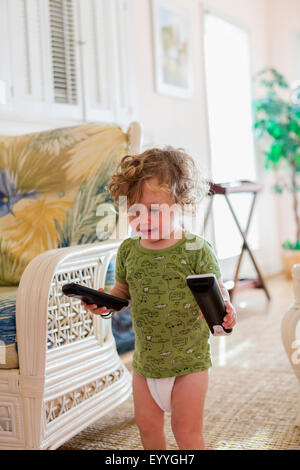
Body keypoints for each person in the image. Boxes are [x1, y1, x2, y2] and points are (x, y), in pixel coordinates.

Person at [82, 147, 237, 450]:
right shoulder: (128, 251)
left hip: (189, 362)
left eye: (154, 210)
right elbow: (122, 293)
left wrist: (227, 308)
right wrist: (105, 302)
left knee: (186, 432)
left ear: (181, 204)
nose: (142, 219)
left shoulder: (196, 249)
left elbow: (217, 291)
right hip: (145, 364)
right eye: (134, 211)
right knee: (147, 429)